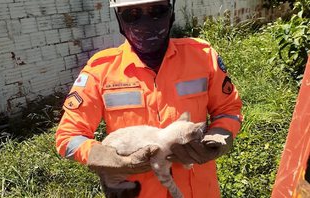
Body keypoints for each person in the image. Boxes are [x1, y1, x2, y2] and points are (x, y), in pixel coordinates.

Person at [55, 0, 243, 197]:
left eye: (157, 10)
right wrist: (106, 158)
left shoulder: (202, 57)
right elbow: (68, 136)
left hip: (198, 191)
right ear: (119, 19)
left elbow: (228, 110)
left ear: (171, 13)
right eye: (132, 14)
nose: (146, 22)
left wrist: (220, 137)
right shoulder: (101, 70)